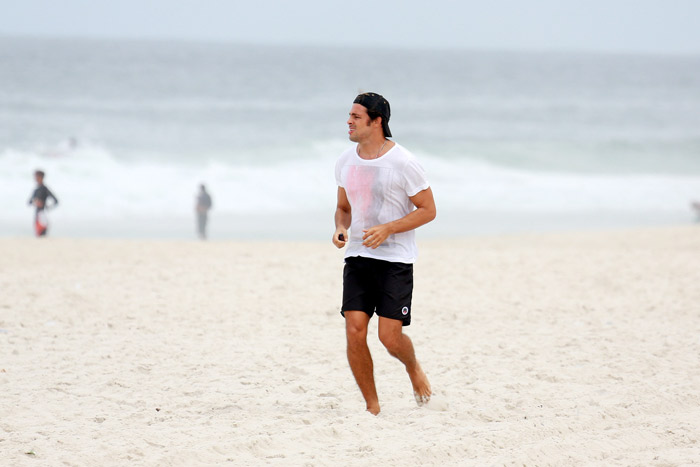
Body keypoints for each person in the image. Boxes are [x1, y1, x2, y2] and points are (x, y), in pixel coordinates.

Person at [332, 92, 437, 415]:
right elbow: (343, 207)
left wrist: (388, 228)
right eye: (349, 115)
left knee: (389, 338)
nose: (348, 121)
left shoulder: (403, 162)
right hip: (359, 257)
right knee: (354, 329)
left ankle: (413, 367)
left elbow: (428, 210)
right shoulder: (345, 162)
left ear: (377, 122)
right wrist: (341, 228)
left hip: (395, 261)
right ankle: (372, 407)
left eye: (356, 117)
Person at [28, 169, 59, 237]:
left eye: (37, 177)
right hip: (37, 214)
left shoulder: (45, 189)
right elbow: (29, 202)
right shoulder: (36, 190)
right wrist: (35, 202)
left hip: (43, 214)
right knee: (38, 234)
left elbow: (56, 201)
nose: (36, 179)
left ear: (41, 177)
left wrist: (47, 206)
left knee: (43, 234)